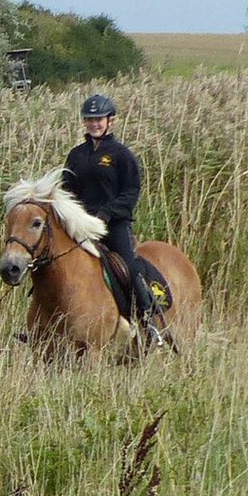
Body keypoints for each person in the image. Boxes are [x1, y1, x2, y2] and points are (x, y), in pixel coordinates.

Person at [61, 93, 164, 347]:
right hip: (81, 225)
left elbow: (131, 192)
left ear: (110, 121)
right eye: (90, 119)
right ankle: (46, 324)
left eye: (99, 119)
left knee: (128, 268)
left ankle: (146, 320)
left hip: (113, 225)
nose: (94, 123)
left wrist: (107, 213)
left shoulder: (121, 155)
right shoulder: (76, 155)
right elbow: (66, 189)